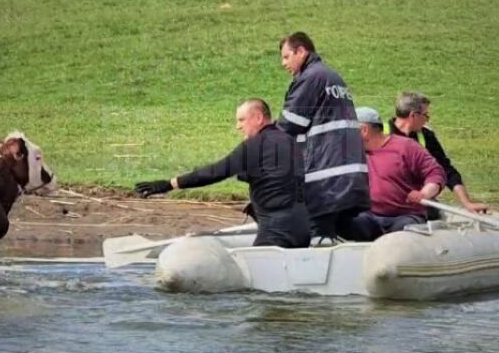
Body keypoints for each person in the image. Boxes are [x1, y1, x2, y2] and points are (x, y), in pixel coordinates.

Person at [134, 98, 310, 248]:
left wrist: (170, 184)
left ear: (258, 118)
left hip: (276, 231)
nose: (238, 126)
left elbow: (215, 172)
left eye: (241, 120)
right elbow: (279, 177)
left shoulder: (255, 145)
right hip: (302, 228)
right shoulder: (289, 141)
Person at [277, 32, 370, 241]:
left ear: (301, 51)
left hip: (325, 180)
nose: (283, 63)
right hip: (349, 177)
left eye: (286, 56)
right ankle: (379, 241)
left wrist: (264, 140)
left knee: (318, 233)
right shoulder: (332, 76)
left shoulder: (312, 77)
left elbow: (291, 122)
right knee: (344, 228)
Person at [344, 107, 446, 241]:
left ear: (364, 130)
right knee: (344, 222)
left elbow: (435, 173)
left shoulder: (406, 147)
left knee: (405, 233)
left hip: (405, 216)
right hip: (369, 217)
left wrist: (424, 193)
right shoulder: (351, 153)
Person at [387, 91, 489, 214]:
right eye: (425, 115)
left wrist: (467, 203)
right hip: (384, 200)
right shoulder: (378, 134)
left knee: (432, 212)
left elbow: (446, 170)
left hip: (415, 201)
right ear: (413, 115)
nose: (427, 120)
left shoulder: (426, 136)